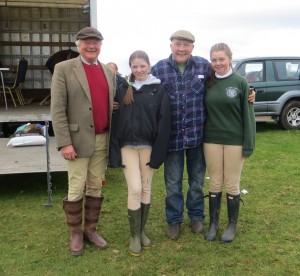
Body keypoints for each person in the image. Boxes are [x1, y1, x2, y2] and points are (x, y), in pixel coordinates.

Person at [151, 30, 256, 240]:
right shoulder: (159, 68)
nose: (182, 48)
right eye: (178, 44)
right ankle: (174, 220)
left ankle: (197, 216)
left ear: (192, 47)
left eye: (186, 45)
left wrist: (248, 92)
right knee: (172, 183)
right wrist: (122, 96)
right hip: (172, 138)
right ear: (171, 45)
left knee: (197, 181)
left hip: (198, 136)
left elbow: (227, 78)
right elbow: (144, 89)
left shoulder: (203, 67)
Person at [50, 27, 116, 256]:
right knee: (76, 186)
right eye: (87, 42)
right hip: (77, 141)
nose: (91, 46)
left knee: (96, 185)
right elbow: (57, 110)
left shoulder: (109, 72)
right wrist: (64, 143)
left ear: (101, 45)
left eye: (95, 42)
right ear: (78, 45)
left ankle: (90, 230)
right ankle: (76, 234)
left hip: (102, 138)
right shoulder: (64, 69)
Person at [109, 50, 171, 256]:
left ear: (149, 66)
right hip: (127, 146)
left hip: (148, 146)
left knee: (146, 187)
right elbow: (114, 118)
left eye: (142, 66)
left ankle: (141, 231)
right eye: (135, 67)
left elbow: (164, 121)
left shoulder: (158, 89)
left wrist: (159, 153)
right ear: (131, 68)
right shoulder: (122, 89)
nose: (139, 70)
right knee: (134, 188)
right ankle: (134, 235)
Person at [203, 42, 255, 242]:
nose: (218, 63)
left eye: (221, 59)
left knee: (232, 184)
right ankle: (213, 224)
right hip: (211, 140)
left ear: (230, 59)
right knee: (215, 181)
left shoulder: (241, 82)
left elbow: (248, 116)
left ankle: (231, 225)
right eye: (214, 60)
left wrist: (248, 144)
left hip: (235, 140)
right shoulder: (207, 81)